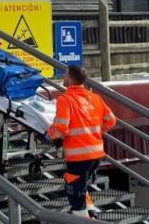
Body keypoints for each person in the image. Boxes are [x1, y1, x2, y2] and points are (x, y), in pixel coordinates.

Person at [47, 65, 116, 218]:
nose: (63, 78)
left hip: (78, 157)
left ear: (70, 79)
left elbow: (61, 129)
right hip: (96, 155)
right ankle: (89, 210)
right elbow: (111, 120)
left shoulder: (65, 100)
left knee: (75, 195)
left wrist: (50, 133)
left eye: (65, 75)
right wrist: (96, 132)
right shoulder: (95, 98)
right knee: (81, 186)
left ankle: (82, 216)